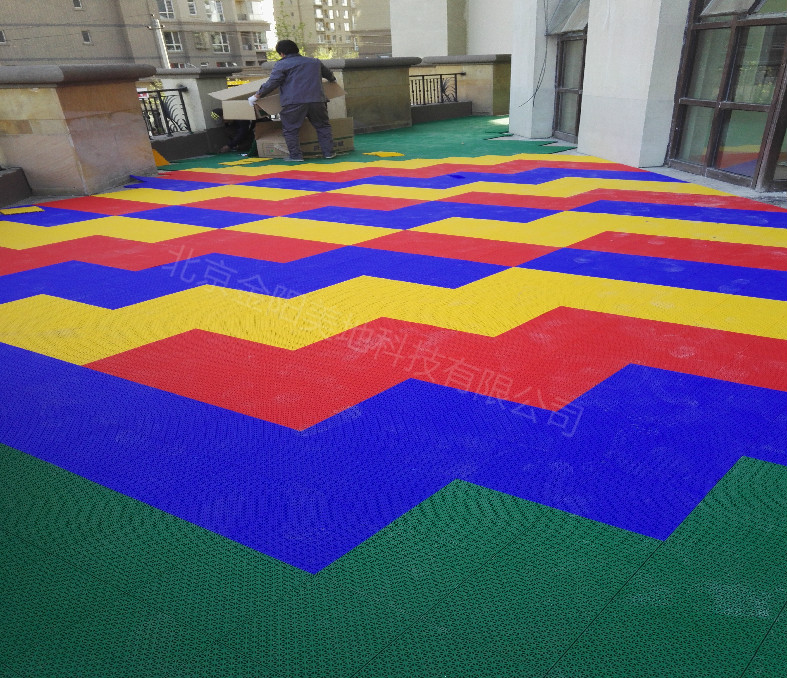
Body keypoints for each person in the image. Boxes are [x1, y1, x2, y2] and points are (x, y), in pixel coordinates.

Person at [248, 39, 337, 162]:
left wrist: (256, 96)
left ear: (282, 53)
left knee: (291, 130)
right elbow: (329, 75)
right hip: (317, 100)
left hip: (293, 102)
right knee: (323, 126)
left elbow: (272, 83)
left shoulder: (281, 64)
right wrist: (332, 80)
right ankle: (328, 153)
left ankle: (296, 156)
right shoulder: (314, 62)